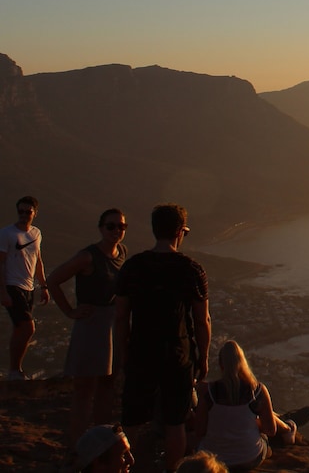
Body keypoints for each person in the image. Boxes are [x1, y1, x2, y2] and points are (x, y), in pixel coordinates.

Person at [115, 203, 211, 473]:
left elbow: (121, 317)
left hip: (141, 351)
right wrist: (202, 357)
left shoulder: (133, 267)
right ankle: (173, 469)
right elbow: (202, 320)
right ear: (180, 232)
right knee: (175, 421)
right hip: (177, 354)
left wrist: (124, 353)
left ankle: (123, 466)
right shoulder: (191, 270)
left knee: (132, 420)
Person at [48, 208, 128, 449]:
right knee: (84, 390)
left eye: (121, 227)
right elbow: (53, 280)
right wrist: (70, 311)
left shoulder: (122, 253)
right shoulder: (88, 256)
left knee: (107, 386)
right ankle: (77, 446)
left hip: (112, 325)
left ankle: (101, 445)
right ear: (100, 227)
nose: (116, 231)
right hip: (92, 325)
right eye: (111, 226)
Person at [194, 340, 309, 472]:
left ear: (221, 365)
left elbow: (200, 430)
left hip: (214, 460)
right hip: (249, 458)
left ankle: (284, 421)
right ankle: (287, 427)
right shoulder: (257, 390)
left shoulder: (208, 392)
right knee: (258, 421)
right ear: (242, 362)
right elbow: (270, 430)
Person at [0, 195, 49, 380]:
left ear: (34, 213)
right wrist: (3, 291)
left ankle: (15, 370)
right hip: (12, 285)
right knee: (28, 328)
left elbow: (38, 261)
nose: (23, 215)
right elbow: (1, 264)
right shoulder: (6, 234)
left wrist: (43, 286)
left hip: (29, 287)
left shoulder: (36, 233)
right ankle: (14, 370)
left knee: (19, 329)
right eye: (20, 211)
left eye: (27, 212)